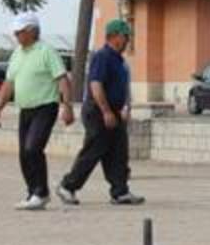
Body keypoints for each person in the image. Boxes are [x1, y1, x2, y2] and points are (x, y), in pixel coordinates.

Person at [0, 13, 75, 211]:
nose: (16, 35)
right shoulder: (17, 54)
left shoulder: (47, 51)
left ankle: (41, 192)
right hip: (25, 109)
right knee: (24, 153)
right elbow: (8, 84)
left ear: (31, 31)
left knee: (32, 148)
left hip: (45, 107)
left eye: (19, 31)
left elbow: (62, 80)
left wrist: (67, 106)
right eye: (16, 32)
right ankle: (32, 193)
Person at [56, 19, 145, 206]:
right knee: (94, 150)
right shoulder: (102, 56)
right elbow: (96, 85)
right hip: (98, 110)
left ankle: (120, 191)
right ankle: (68, 186)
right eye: (125, 36)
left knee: (118, 151)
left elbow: (123, 87)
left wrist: (123, 108)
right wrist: (106, 111)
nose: (128, 40)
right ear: (114, 37)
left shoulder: (119, 60)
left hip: (114, 110)